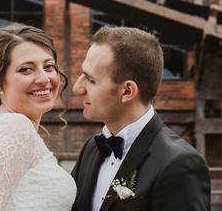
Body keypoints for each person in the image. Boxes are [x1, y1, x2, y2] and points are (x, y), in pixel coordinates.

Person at [70, 26, 211, 211]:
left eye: (90, 79)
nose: (77, 88)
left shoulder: (179, 164)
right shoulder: (92, 148)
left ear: (127, 91)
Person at [0, 23, 77, 211]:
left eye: (48, 66)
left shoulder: (3, 126)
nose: (44, 79)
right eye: (26, 70)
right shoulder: (12, 127)